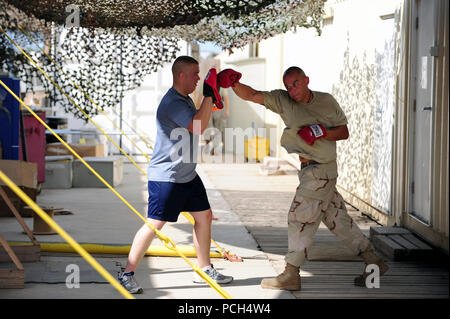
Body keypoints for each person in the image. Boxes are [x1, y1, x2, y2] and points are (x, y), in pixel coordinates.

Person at [218, 66, 388, 290]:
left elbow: (344, 132)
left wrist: (321, 132)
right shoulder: (283, 100)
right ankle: (373, 260)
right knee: (339, 221)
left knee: (299, 217)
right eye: (288, 86)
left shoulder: (326, 101)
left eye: (296, 84)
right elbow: (252, 95)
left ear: (306, 80)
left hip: (321, 171)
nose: (292, 90)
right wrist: (233, 83)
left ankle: (291, 273)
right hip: (313, 172)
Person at [118, 56, 233, 294]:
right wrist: (210, 94)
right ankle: (127, 273)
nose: (198, 79)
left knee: (204, 217)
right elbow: (199, 126)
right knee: (155, 224)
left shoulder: (186, 99)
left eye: (200, 76)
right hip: (167, 177)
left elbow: (201, 118)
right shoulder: (173, 103)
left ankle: (203, 269)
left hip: (188, 175)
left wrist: (214, 93)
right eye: (195, 75)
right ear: (181, 75)